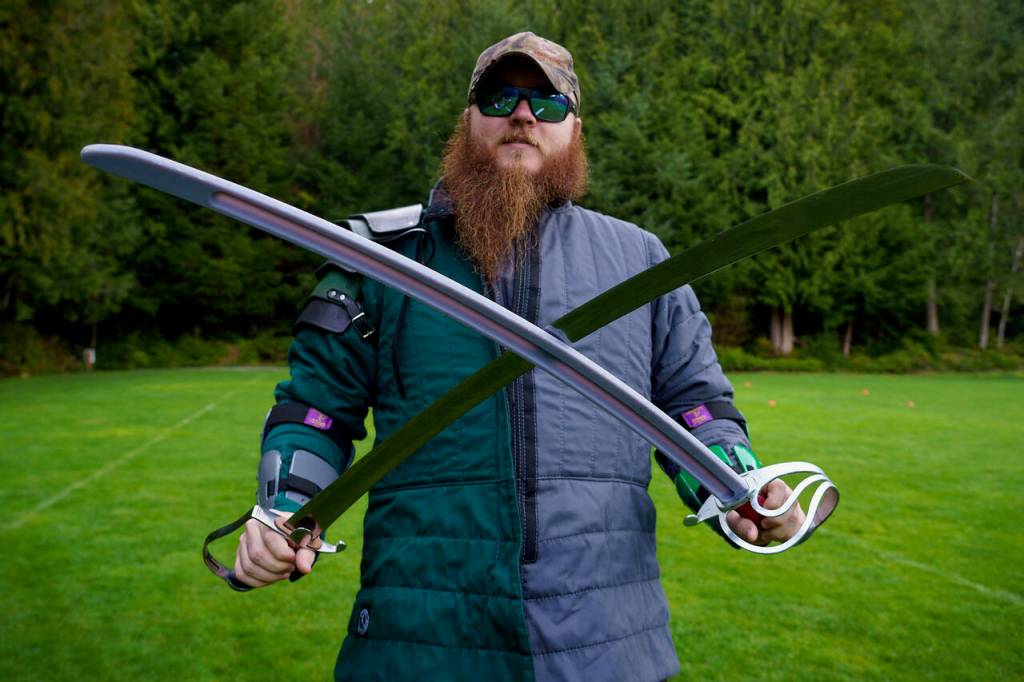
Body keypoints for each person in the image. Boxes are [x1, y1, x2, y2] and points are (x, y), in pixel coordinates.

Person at [233, 32, 805, 681]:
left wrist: (740, 484)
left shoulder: (641, 262)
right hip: (420, 641)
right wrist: (283, 510)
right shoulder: (383, 262)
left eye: (547, 102)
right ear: (468, 119)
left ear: (575, 128)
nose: (523, 114)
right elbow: (317, 414)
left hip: (606, 646)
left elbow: (694, 409)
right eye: (499, 95)